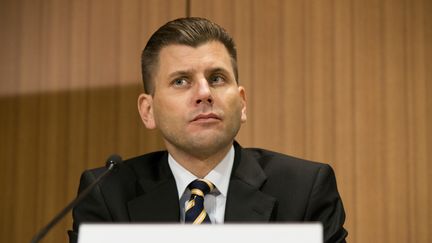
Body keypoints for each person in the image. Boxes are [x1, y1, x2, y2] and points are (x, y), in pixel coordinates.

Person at [69, 17, 347, 243]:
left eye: (216, 78)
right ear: (148, 111)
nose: (204, 93)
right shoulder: (106, 193)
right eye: (181, 81)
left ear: (242, 103)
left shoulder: (305, 189)